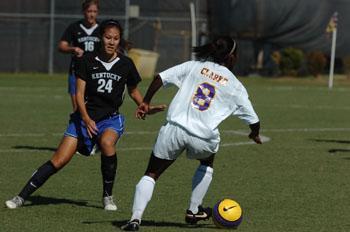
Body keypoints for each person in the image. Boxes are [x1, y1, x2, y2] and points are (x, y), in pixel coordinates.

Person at [5, 19, 165, 211]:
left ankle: (108, 197)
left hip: (110, 119)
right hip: (84, 118)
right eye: (107, 37)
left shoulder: (126, 64)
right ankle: (20, 197)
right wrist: (87, 120)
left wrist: (145, 105)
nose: (111, 41)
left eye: (115, 38)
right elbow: (79, 94)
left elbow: (132, 90)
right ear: (101, 38)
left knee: (107, 144)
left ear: (119, 40)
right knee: (58, 160)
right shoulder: (87, 60)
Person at [121, 36, 262, 231]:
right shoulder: (235, 85)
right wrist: (254, 134)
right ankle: (193, 210)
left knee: (152, 173)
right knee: (207, 161)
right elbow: (254, 120)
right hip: (202, 137)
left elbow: (159, 78)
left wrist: (145, 101)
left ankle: (135, 219)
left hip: (174, 130)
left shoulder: (194, 66)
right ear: (231, 58)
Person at [58, 0, 101, 112]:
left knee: (96, 108)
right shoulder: (75, 27)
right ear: (83, 11)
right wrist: (73, 49)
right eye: (89, 11)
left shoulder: (102, 29)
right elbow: (62, 46)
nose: (92, 14)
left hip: (96, 72)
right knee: (78, 109)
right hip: (77, 71)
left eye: (94, 11)